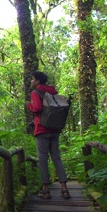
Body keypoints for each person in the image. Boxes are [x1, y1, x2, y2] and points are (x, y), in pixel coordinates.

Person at [27, 71, 70, 199]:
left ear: (38, 81)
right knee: (57, 157)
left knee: (43, 159)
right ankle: (64, 189)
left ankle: (45, 190)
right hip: (55, 129)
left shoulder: (36, 93)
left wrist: (29, 105)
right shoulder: (52, 92)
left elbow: (37, 108)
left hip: (42, 130)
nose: (31, 81)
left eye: (32, 79)